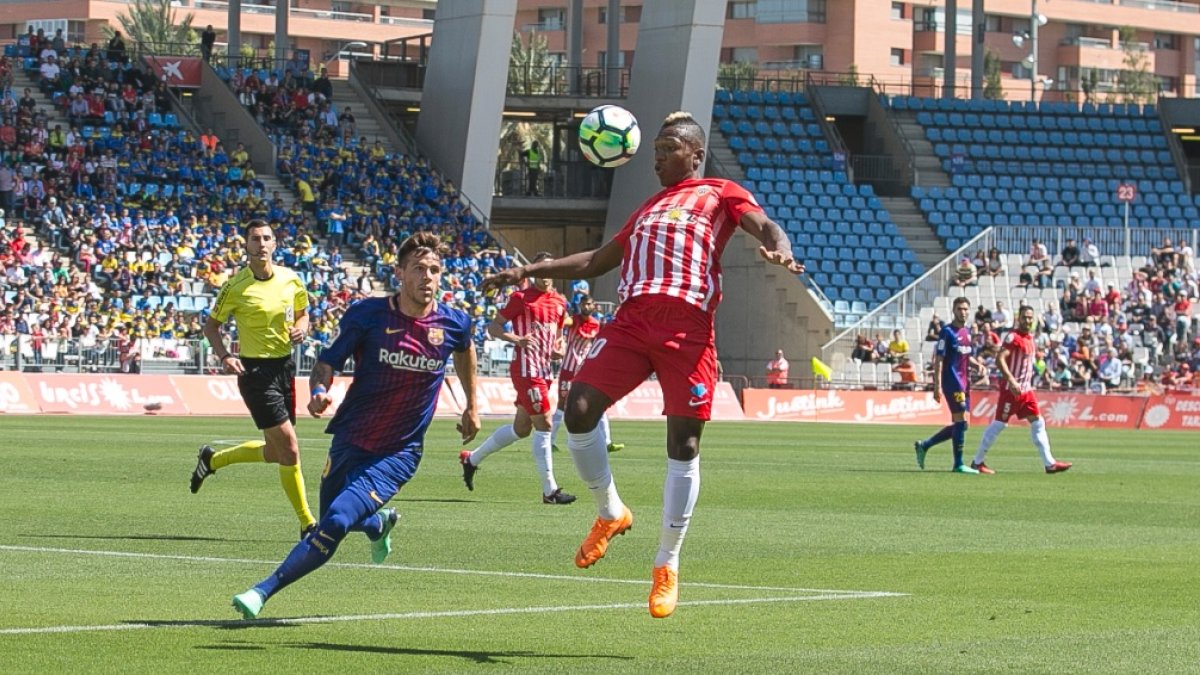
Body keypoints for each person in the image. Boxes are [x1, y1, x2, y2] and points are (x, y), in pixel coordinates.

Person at [480, 111, 804, 619]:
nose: (656, 156)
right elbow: (594, 261)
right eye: (653, 149)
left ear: (695, 155)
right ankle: (610, 511)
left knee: (685, 444)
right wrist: (527, 269)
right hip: (632, 323)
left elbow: (764, 224)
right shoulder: (648, 208)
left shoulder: (719, 192)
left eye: (667, 147)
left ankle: (666, 562)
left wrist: (778, 248)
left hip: (687, 328)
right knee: (580, 407)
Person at [231, 232, 481, 619]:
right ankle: (377, 524)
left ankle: (261, 592)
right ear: (400, 273)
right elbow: (328, 361)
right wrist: (318, 389)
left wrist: (471, 405)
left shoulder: (453, 323)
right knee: (338, 516)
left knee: (331, 523)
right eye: (419, 269)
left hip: (399, 453)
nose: (428, 277)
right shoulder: (368, 315)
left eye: (435, 269)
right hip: (350, 438)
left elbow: (466, 351)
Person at [192, 220, 317, 538]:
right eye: (255, 239)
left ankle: (213, 460)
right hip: (255, 373)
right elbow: (211, 327)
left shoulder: (291, 280)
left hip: (285, 369)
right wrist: (224, 356)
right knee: (290, 447)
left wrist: (303, 326)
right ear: (246, 246)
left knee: (277, 453)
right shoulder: (235, 287)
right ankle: (308, 523)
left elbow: (303, 313)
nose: (261, 244)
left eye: (267, 238)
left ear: (275, 244)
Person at [459, 252, 577, 504]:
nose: (546, 275)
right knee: (545, 424)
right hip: (526, 370)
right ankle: (550, 491)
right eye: (541, 270)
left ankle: (472, 459)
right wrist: (517, 339)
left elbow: (558, 337)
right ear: (533, 272)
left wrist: (560, 348)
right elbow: (494, 327)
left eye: (551, 270)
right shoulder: (521, 298)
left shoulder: (559, 302)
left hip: (545, 371)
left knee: (521, 429)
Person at [970, 305, 1074, 475]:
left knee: (1038, 422)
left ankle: (1050, 463)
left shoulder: (1030, 338)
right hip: (1012, 390)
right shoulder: (1013, 337)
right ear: (1019, 319)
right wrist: (1011, 380)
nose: (1028, 320)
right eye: (1025, 317)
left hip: (1026, 391)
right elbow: (1000, 359)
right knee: (999, 424)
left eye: (1030, 317)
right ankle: (977, 462)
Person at [550, 294, 623, 453]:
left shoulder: (596, 324)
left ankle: (607, 442)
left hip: (585, 372)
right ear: (580, 305)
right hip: (568, 370)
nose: (586, 307)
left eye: (589, 304)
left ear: (594, 306)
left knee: (599, 404)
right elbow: (561, 322)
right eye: (583, 304)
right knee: (562, 405)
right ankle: (550, 441)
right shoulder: (574, 321)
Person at [914, 297, 980, 474]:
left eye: (966, 309)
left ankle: (925, 445)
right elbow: (939, 360)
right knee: (960, 420)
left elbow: (966, 357)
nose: (963, 312)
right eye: (960, 309)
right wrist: (936, 386)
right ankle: (958, 464)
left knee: (962, 425)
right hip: (952, 381)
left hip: (965, 383)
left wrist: (977, 365)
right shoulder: (947, 332)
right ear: (954, 310)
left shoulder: (966, 333)